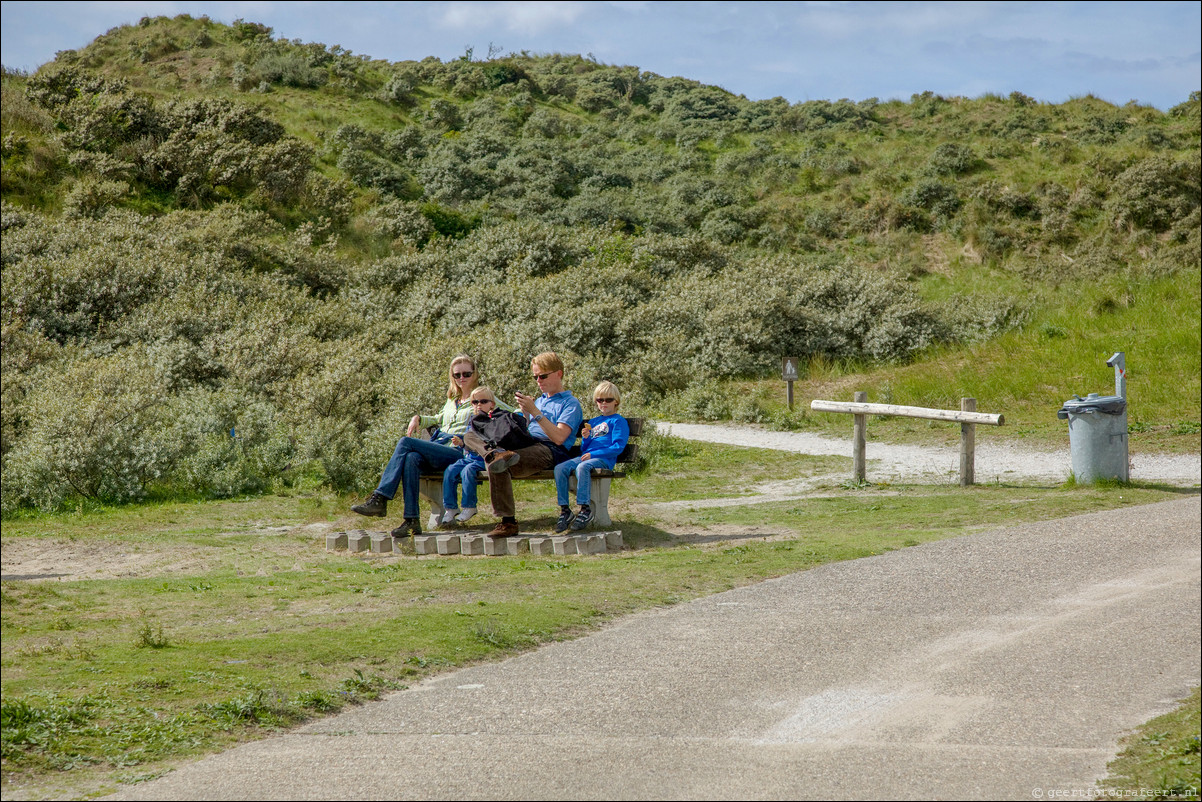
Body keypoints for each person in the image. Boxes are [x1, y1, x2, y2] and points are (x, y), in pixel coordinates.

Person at [351, 354, 499, 538]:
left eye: (466, 374)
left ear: (474, 374)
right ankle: (411, 520)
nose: (462, 378)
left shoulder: (481, 397)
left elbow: (507, 411)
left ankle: (380, 498)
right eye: (457, 375)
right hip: (440, 446)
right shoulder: (452, 400)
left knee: (406, 442)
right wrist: (419, 418)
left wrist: (528, 414)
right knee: (411, 458)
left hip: (460, 451)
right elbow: (439, 419)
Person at [463, 352, 583, 538]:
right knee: (471, 435)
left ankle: (508, 522)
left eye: (542, 376)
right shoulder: (540, 400)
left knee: (498, 463)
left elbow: (559, 438)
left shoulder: (570, 403)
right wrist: (523, 417)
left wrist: (534, 411)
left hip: (549, 449)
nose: (538, 381)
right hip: (526, 442)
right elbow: (529, 428)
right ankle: (494, 453)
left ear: (559, 374)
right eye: (535, 377)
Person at [553, 382, 630, 532]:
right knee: (560, 468)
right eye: (600, 400)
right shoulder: (593, 422)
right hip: (588, 457)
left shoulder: (618, 421)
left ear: (616, 401)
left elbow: (617, 447)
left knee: (583, 466)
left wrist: (593, 454)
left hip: (604, 459)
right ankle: (565, 510)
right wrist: (586, 438)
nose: (604, 403)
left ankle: (584, 509)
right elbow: (585, 449)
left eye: (608, 400)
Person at [437, 386, 497, 527]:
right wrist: (462, 444)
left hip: (484, 459)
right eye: (475, 402)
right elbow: (470, 444)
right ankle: (451, 508)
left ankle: (469, 506)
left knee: (468, 471)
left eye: (483, 401)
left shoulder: (493, 420)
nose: (478, 405)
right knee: (451, 470)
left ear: (492, 404)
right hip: (469, 457)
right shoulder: (472, 421)